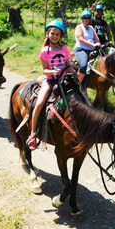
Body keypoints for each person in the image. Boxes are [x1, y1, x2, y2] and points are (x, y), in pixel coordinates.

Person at [27, 20, 71, 150]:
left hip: (64, 80)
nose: (55, 36)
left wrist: (72, 69)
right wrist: (52, 72)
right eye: (52, 33)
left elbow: (68, 65)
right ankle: (33, 133)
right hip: (50, 80)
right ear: (47, 33)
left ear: (61, 36)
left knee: (81, 96)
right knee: (39, 104)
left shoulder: (64, 49)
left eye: (57, 34)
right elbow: (44, 70)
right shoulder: (45, 50)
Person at [74, 10, 101, 85]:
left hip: (92, 50)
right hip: (82, 49)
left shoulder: (91, 28)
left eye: (88, 18)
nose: (87, 19)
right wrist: (92, 45)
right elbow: (80, 39)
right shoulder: (79, 27)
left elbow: (96, 38)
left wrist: (98, 43)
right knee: (83, 65)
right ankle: (78, 85)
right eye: (85, 18)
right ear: (82, 19)